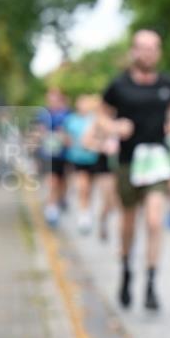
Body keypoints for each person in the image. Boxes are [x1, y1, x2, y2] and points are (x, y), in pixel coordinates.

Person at [102, 29, 170, 311]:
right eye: (143, 47)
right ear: (133, 51)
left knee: (154, 221)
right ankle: (126, 270)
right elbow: (101, 116)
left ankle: (150, 283)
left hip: (158, 160)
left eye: (153, 48)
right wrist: (114, 127)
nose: (148, 53)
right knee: (128, 222)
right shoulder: (118, 85)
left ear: (158, 52)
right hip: (128, 162)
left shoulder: (169, 84)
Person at [63, 95, 103, 235]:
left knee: (90, 188)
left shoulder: (95, 119)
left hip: (93, 158)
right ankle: (83, 213)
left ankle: (87, 209)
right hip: (77, 159)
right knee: (83, 187)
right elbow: (66, 137)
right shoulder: (71, 120)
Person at [39, 88, 71, 227]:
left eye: (55, 98)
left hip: (63, 154)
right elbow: (39, 131)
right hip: (48, 154)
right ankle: (51, 208)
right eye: (50, 98)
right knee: (52, 181)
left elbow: (69, 134)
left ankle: (60, 200)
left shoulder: (67, 114)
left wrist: (64, 135)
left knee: (62, 181)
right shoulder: (43, 113)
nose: (52, 101)